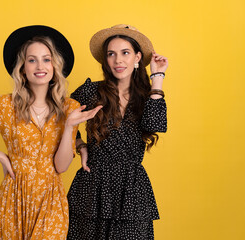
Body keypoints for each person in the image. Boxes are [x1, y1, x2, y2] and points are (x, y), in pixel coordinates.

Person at [0, 25, 101, 240]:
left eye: (46, 59)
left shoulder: (69, 108)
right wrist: (1, 156)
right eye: (32, 60)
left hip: (51, 202)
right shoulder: (5, 106)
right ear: (22, 68)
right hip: (13, 200)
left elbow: (61, 166)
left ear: (55, 66)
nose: (40, 66)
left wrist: (68, 127)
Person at [66, 24, 168, 240]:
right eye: (111, 54)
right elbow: (59, 118)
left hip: (131, 190)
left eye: (125, 53)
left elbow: (155, 124)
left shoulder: (147, 97)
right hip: (92, 187)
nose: (118, 60)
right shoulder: (91, 91)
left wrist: (157, 78)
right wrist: (80, 145)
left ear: (137, 57)